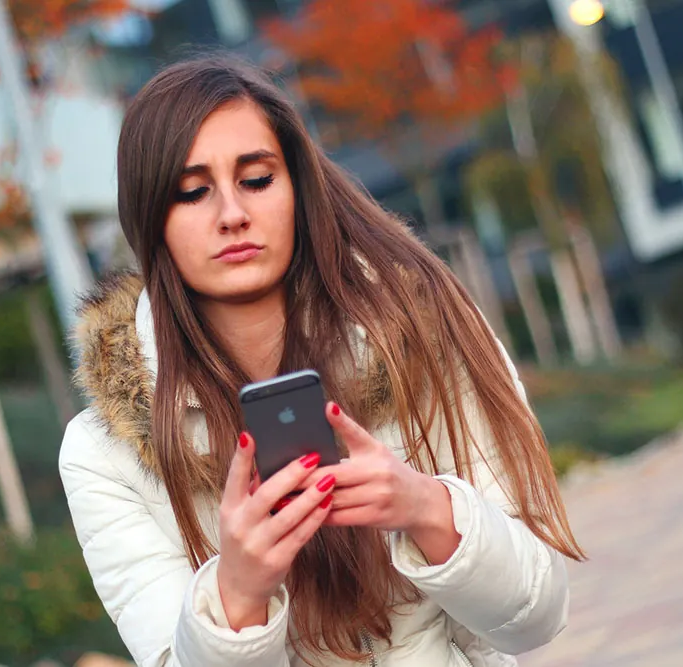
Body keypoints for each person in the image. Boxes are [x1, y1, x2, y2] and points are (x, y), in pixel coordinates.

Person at [60, 55, 584, 667]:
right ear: (151, 217)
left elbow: (538, 616)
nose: (232, 214)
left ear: (296, 187)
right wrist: (236, 594)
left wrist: (427, 509)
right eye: (193, 191)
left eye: (256, 179)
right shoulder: (105, 455)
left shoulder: (423, 331)